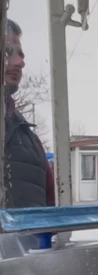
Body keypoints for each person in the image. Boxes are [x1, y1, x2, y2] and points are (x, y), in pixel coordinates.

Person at [3, 19, 55, 208]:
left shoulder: (32, 143)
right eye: (8, 51)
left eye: (21, 54)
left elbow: (49, 218)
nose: (20, 62)